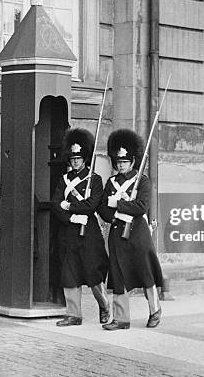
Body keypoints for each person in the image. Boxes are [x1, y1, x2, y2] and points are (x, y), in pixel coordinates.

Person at [98, 129, 163, 330]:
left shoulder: (142, 181)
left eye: (124, 162)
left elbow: (142, 206)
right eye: (118, 162)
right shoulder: (111, 182)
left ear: (132, 162)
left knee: (146, 273)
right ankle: (121, 318)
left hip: (138, 232)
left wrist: (118, 204)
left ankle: (155, 309)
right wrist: (116, 214)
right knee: (118, 275)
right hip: (118, 231)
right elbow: (102, 208)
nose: (121, 165)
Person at [51, 128, 110, 326]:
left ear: (85, 158)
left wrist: (70, 206)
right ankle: (73, 314)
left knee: (93, 273)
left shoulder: (94, 180)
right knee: (70, 273)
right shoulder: (64, 180)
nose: (75, 161)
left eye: (79, 158)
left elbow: (91, 205)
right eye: (73, 158)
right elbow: (56, 204)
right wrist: (70, 219)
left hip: (89, 233)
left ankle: (104, 306)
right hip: (69, 232)